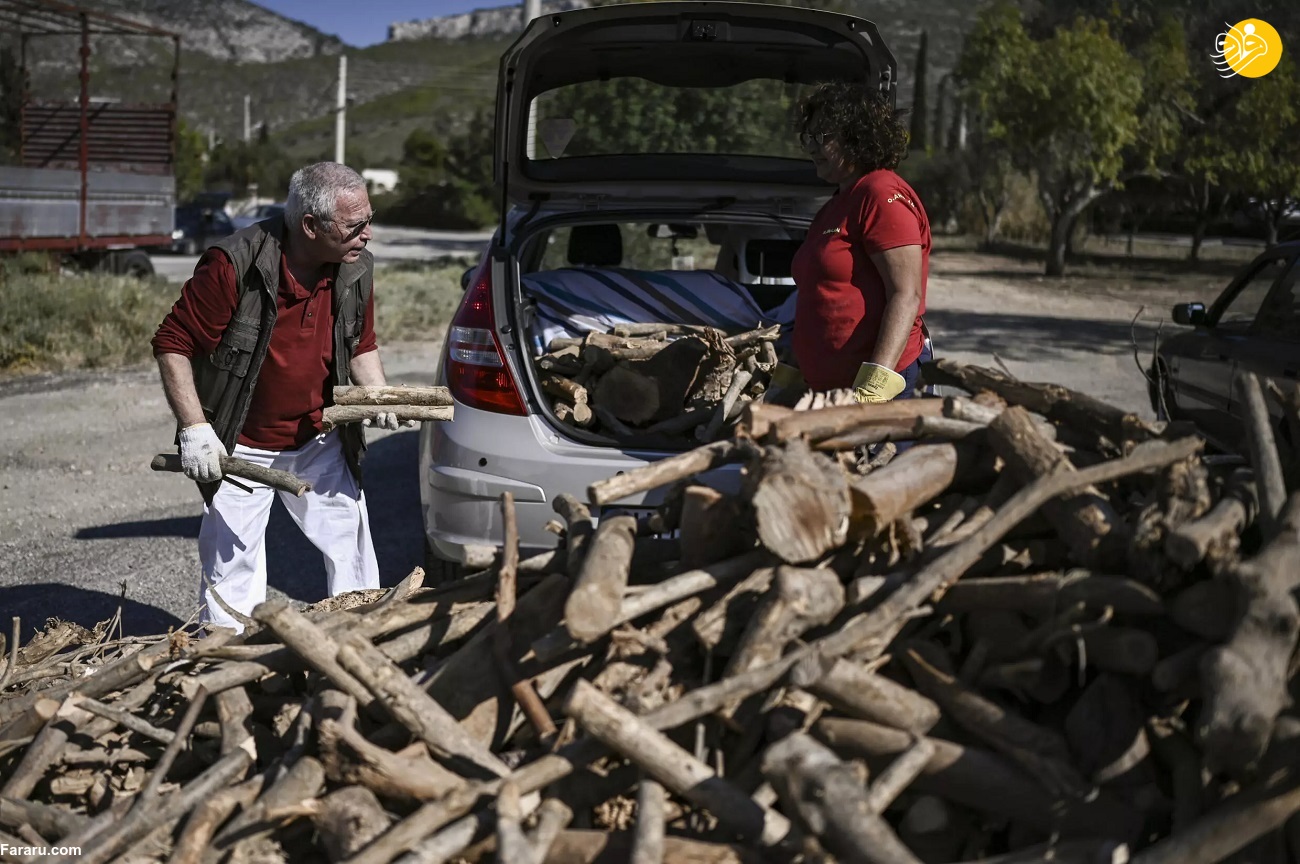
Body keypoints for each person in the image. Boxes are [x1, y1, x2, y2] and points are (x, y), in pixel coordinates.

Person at [152, 162, 409, 632]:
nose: (368, 234)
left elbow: (361, 343)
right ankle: (226, 663)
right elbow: (173, 343)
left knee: (352, 550)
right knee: (232, 569)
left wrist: (378, 394)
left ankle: (359, 643)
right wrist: (194, 429)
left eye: (369, 220)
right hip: (243, 442)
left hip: (319, 436)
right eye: (356, 225)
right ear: (310, 226)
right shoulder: (234, 264)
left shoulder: (355, 267)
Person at [787, 81, 930, 404]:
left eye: (821, 137)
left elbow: (906, 295)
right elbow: (817, 300)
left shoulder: (879, 193)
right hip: (831, 394)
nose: (811, 147)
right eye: (807, 137)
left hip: (878, 394)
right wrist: (790, 375)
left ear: (857, 136)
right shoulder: (836, 204)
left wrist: (873, 388)